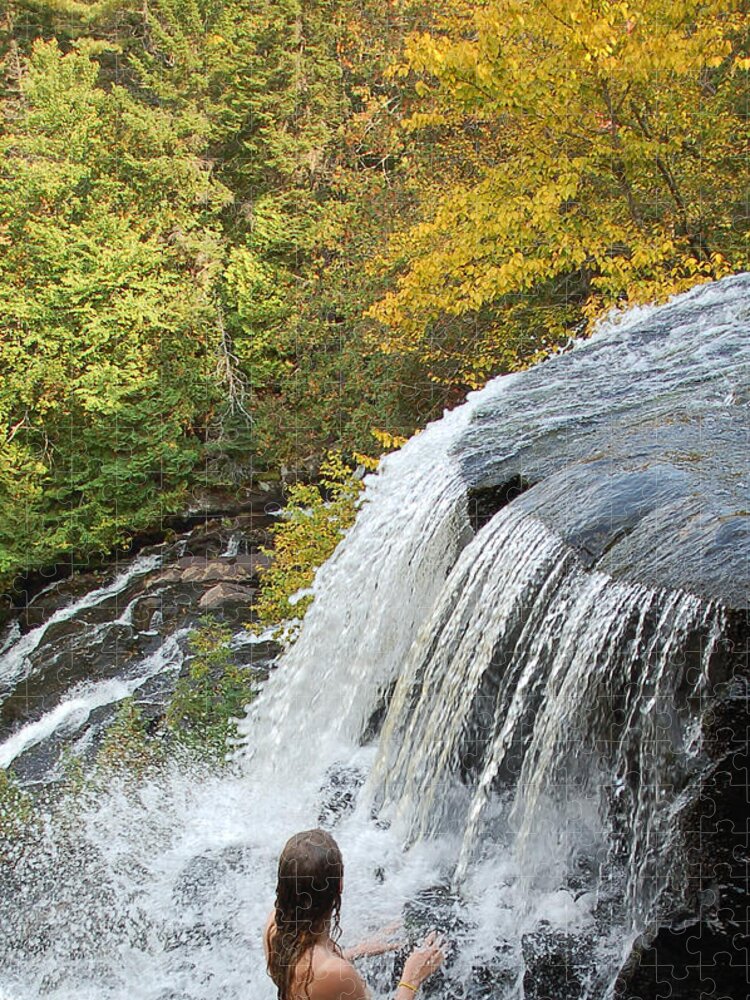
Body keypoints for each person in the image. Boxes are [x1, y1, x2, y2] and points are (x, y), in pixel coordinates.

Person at [264, 828, 446, 1000]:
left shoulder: (275, 925)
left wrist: (356, 951)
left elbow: (305, 971)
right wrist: (411, 979)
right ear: (339, 886)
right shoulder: (336, 972)